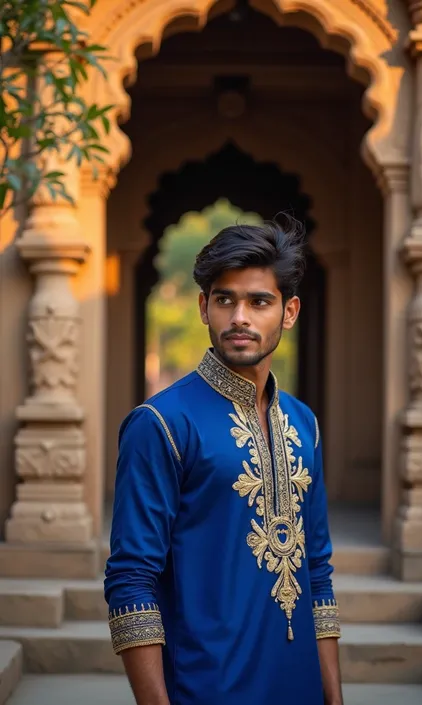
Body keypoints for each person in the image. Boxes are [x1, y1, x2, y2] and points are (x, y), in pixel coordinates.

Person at [104, 217, 342, 705]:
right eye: (224, 299)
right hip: (204, 689)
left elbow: (317, 571)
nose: (240, 317)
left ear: (289, 311)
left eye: (259, 301)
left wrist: (333, 697)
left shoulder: (303, 425)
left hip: (298, 689)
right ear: (203, 307)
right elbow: (131, 579)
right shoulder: (162, 424)